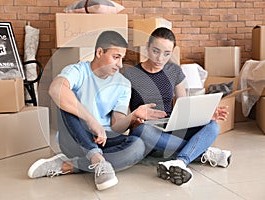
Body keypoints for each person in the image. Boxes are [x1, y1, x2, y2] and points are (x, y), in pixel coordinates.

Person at [27, 30, 165, 191]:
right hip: (75, 138)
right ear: (100, 52)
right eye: (116, 57)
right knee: (65, 96)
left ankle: (70, 165)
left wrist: (132, 116)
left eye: (122, 58)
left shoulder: (123, 83)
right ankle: (97, 160)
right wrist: (92, 121)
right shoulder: (77, 71)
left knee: (137, 146)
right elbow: (55, 89)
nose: (120, 65)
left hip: (104, 140)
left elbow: (116, 125)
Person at [123, 27, 231, 186]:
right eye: (155, 51)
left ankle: (181, 161)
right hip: (147, 129)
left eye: (167, 53)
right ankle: (201, 152)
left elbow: (184, 106)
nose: (160, 58)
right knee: (143, 131)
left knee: (213, 126)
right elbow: (124, 118)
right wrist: (133, 120)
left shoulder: (174, 71)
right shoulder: (131, 74)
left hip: (172, 125)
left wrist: (206, 115)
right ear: (147, 47)